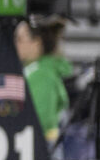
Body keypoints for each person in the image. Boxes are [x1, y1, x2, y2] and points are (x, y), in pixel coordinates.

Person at [15, 15, 72, 144]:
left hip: (40, 147)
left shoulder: (43, 75)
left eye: (19, 40)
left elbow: (41, 120)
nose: (15, 45)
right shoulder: (33, 70)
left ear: (36, 43)